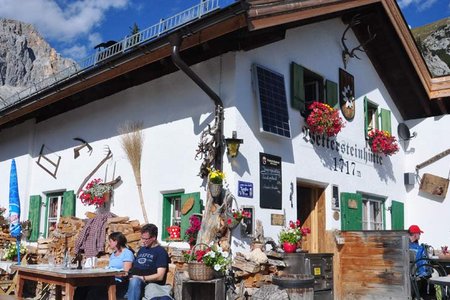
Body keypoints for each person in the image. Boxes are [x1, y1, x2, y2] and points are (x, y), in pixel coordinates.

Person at [74, 232, 134, 300]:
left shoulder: (127, 253)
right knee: (82, 287)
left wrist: (109, 273)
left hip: (118, 283)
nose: (109, 243)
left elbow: (125, 273)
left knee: (93, 292)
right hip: (108, 280)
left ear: (116, 241)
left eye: (110, 241)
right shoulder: (113, 254)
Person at [127, 223, 171, 300]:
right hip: (135, 280)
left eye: (145, 239)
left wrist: (142, 278)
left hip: (149, 283)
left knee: (134, 281)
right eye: (142, 238)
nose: (142, 241)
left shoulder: (160, 252)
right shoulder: (142, 249)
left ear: (154, 238)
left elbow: (160, 276)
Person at [409, 224, 434, 299]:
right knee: (428, 277)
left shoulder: (408, 244)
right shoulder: (419, 249)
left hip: (411, 274)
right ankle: (429, 296)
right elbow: (421, 263)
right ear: (415, 235)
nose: (420, 235)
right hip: (416, 275)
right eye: (419, 233)